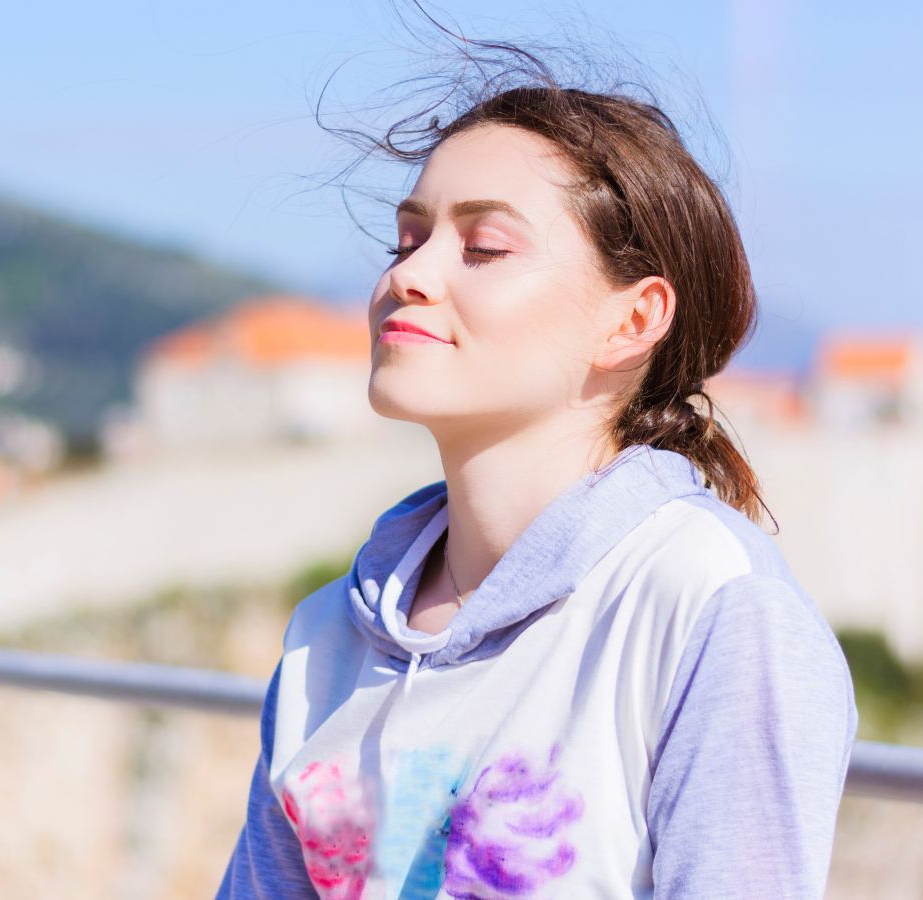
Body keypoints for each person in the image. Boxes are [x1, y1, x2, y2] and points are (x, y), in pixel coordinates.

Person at [215, 44, 857, 900]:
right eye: (407, 237)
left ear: (632, 320)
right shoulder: (326, 638)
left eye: (483, 247)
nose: (408, 275)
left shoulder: (706, 606)